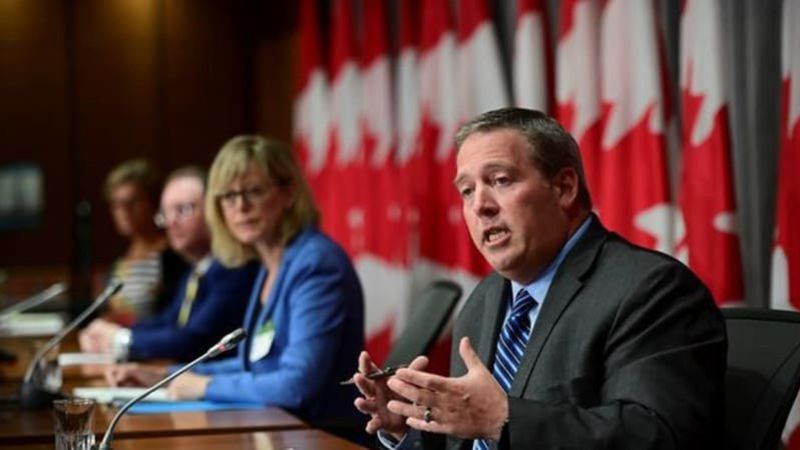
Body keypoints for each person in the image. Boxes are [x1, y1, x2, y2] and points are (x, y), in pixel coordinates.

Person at [353, 108, 726, 449]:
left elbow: (655, 436)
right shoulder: (485, 299)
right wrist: (410, 425)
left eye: (500, 180)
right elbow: (470, 441)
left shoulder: (651, 290)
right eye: (467, 190)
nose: (479, 205)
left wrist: (502, 419)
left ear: (564, 188)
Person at [106, 136, 365, 422]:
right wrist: (165, 377)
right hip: (278, 426)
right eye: (229, 196)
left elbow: (296, 385)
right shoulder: (270, 264)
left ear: (289, 192)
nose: (240, 206)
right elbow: (252, 364)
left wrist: (205, 386)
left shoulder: (315, 264)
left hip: (322, 434)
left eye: (254, 191)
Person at [80, 166, 259, 362]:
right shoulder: (196, 269)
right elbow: (169, 322)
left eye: (183, 209)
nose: (171, 222)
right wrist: (114, 333)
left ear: (214, 210)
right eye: (166, 213)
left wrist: (120, 339)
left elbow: (194, 340)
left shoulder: (233, 269)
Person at [102, 158, 188, 325]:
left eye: (132, 202)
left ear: (153, 202)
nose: (124, 211)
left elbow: (176, 318)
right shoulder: (119, 262)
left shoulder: (175, 257)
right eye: (116, 204)